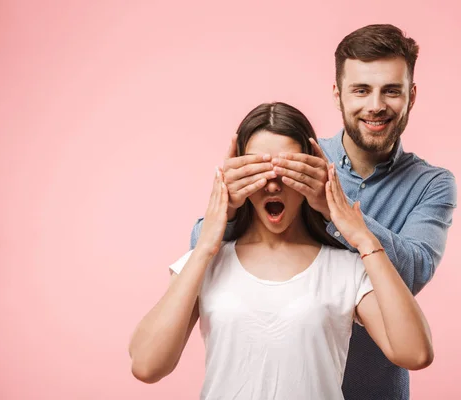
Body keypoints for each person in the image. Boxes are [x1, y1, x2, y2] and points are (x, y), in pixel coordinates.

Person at [188, 24, 457, 399]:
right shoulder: (298, 157)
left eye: (391, 90)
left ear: (411, 96)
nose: (375, 105)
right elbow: (206, 252)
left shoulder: (432, 184)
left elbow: (411, 276)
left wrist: (340, 216)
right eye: (361, 89)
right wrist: (229, 208)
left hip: (374, 388)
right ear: (338, 95)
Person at [129, 102, 433, 399]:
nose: (273, 186)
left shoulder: (346, 268)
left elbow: (415, 353)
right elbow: (146, 366)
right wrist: (207, 243)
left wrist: (364, 239)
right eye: (257, 169)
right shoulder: (207, 263)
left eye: (288, 168)